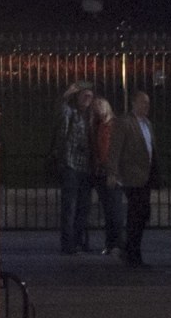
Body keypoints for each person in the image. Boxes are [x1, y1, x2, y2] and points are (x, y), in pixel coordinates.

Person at [108, 89, 156, 267]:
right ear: (134, 103)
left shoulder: (147, 124)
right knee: (136, 215)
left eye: (148, 103)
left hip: (145, 176)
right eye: (143, 102)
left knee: (142, 214)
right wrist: (112, 172)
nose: (147, 106)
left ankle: (130, 249)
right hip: (132, 176)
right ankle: (133, 254)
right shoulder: (125, 123)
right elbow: (115, 149)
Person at [52, 83, 97, 255]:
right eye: (84, 96)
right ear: (77, 98)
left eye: (90, 96)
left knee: (83, 207)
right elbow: (60, 109)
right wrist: (66, 94)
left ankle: (80, 241)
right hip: (71, 165)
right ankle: (68, 243)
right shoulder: (71, 114)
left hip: (86, 167)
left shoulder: (91, 116)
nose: (87, 99)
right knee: (70, 207)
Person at [85, 96, 123, 258]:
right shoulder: (98, 125)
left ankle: (116, 243)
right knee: (109, 210)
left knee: (114, 210)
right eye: (96, 106)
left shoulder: (114, 125)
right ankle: (111, 243)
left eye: (101, 105)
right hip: (100, 171)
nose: (99, 108)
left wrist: (114, 171)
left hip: (111, 172)